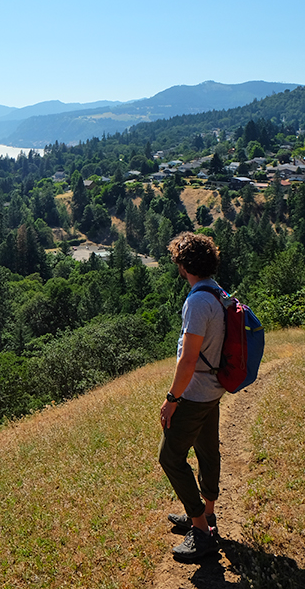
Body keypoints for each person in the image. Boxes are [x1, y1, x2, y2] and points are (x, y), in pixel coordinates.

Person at [159, 231, 227, 562]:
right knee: (206, 449)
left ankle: (200, 530)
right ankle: (207, 512)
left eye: (179, 265)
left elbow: (188, 359)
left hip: (195, 392)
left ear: (186, 265)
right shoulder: (219, 293)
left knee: (170, 457)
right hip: (213, 388)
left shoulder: (197, 301)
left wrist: (172, 398)